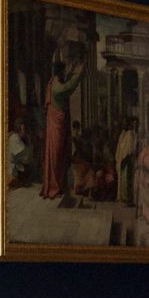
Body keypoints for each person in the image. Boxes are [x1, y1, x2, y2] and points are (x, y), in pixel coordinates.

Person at [40, 54, 84, 202]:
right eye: (64, 71)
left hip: (57, 126)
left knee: (59, 155)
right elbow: (68, 87)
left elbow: (65, 82)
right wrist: (77, 75)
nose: (65, 74)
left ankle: (58, 184)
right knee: (57, 155)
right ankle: (54, 186)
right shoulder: (57, 87)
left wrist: (72, 71)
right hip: (56, 128)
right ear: (60, 72)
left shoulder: (53, 81)